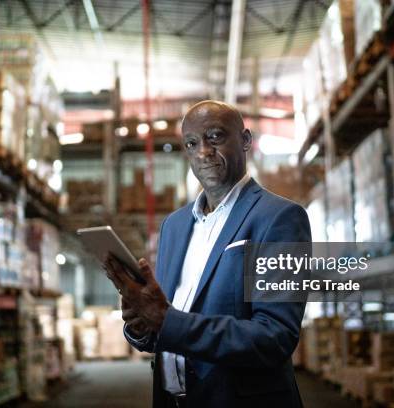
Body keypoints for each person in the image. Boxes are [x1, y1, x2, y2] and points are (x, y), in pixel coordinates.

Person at [104, 100, 311, 408]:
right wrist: (142, 324)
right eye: (191, 143)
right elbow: (166, 327)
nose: (202, 152)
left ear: (244, 140)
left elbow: (274, 337)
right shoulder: (174, 226)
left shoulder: (280, 218)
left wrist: (167, 320)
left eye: (215, 137)